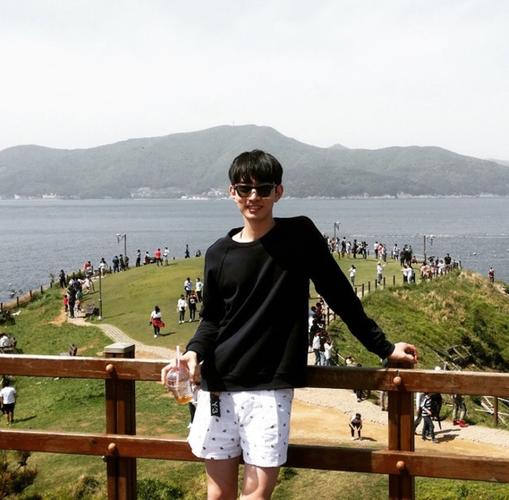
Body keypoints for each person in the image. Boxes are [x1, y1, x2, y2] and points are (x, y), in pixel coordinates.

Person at [160, 150, 417, 500]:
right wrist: (192, 354)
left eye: (263, 189)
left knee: (255, 497)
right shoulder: (218, 253)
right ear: (232, 192)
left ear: (278, 192)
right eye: (244, 189)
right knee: (217, 495)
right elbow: (213, 320)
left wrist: (383, 347)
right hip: (217, 386)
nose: (254, 197)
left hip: (269, 389)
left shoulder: (299, 236)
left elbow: (339, 293)